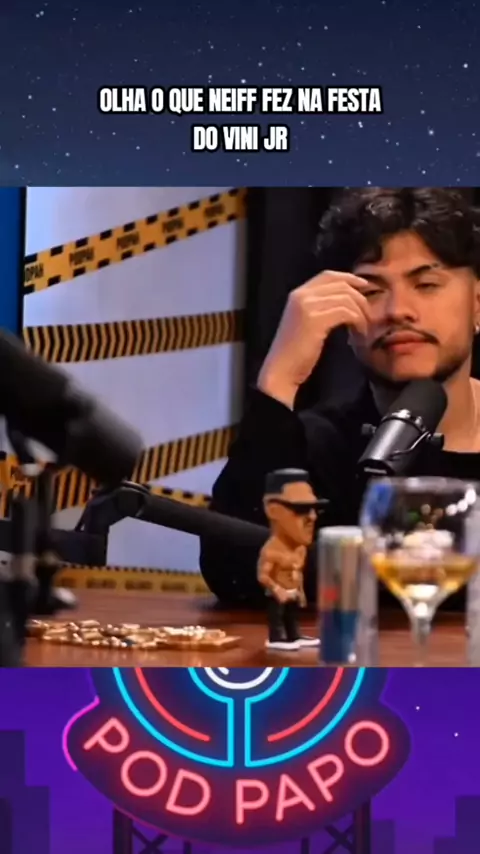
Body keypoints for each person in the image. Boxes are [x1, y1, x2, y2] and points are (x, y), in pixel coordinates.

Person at [199, 187, 480, 605]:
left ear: (477, 304)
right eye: (371, 291)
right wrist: (279, 378)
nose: (398, 310)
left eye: (426, 284)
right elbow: (236, 576)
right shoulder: (316, 444)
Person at [257, 468, 322, 650]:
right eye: (301, 509)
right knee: (277, 616)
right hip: (277, 592)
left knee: (292, 616)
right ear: (273, 510)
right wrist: (277, 589)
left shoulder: (300, 549)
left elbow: (297, 573)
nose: (312, 517)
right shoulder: (271, 551)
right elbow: (263, 576)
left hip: (292, 591)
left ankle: (294, 635)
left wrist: (300, 592)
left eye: (314, 509)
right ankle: (277, 638)